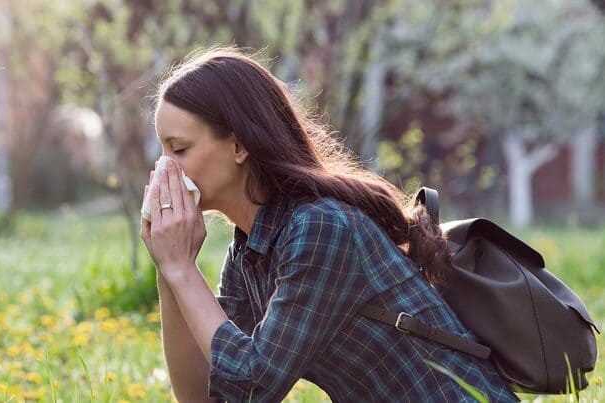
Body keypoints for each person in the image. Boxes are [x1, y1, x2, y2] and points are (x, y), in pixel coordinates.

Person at [140, 46, 518, 402]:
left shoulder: (319, 227)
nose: (164, 168)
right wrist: (169, 272)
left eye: (179, 149)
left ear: (239, 146)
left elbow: (255, 385)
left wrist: (183, 269)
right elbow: (204, 396)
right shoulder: (249, 249)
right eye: (162, 150)